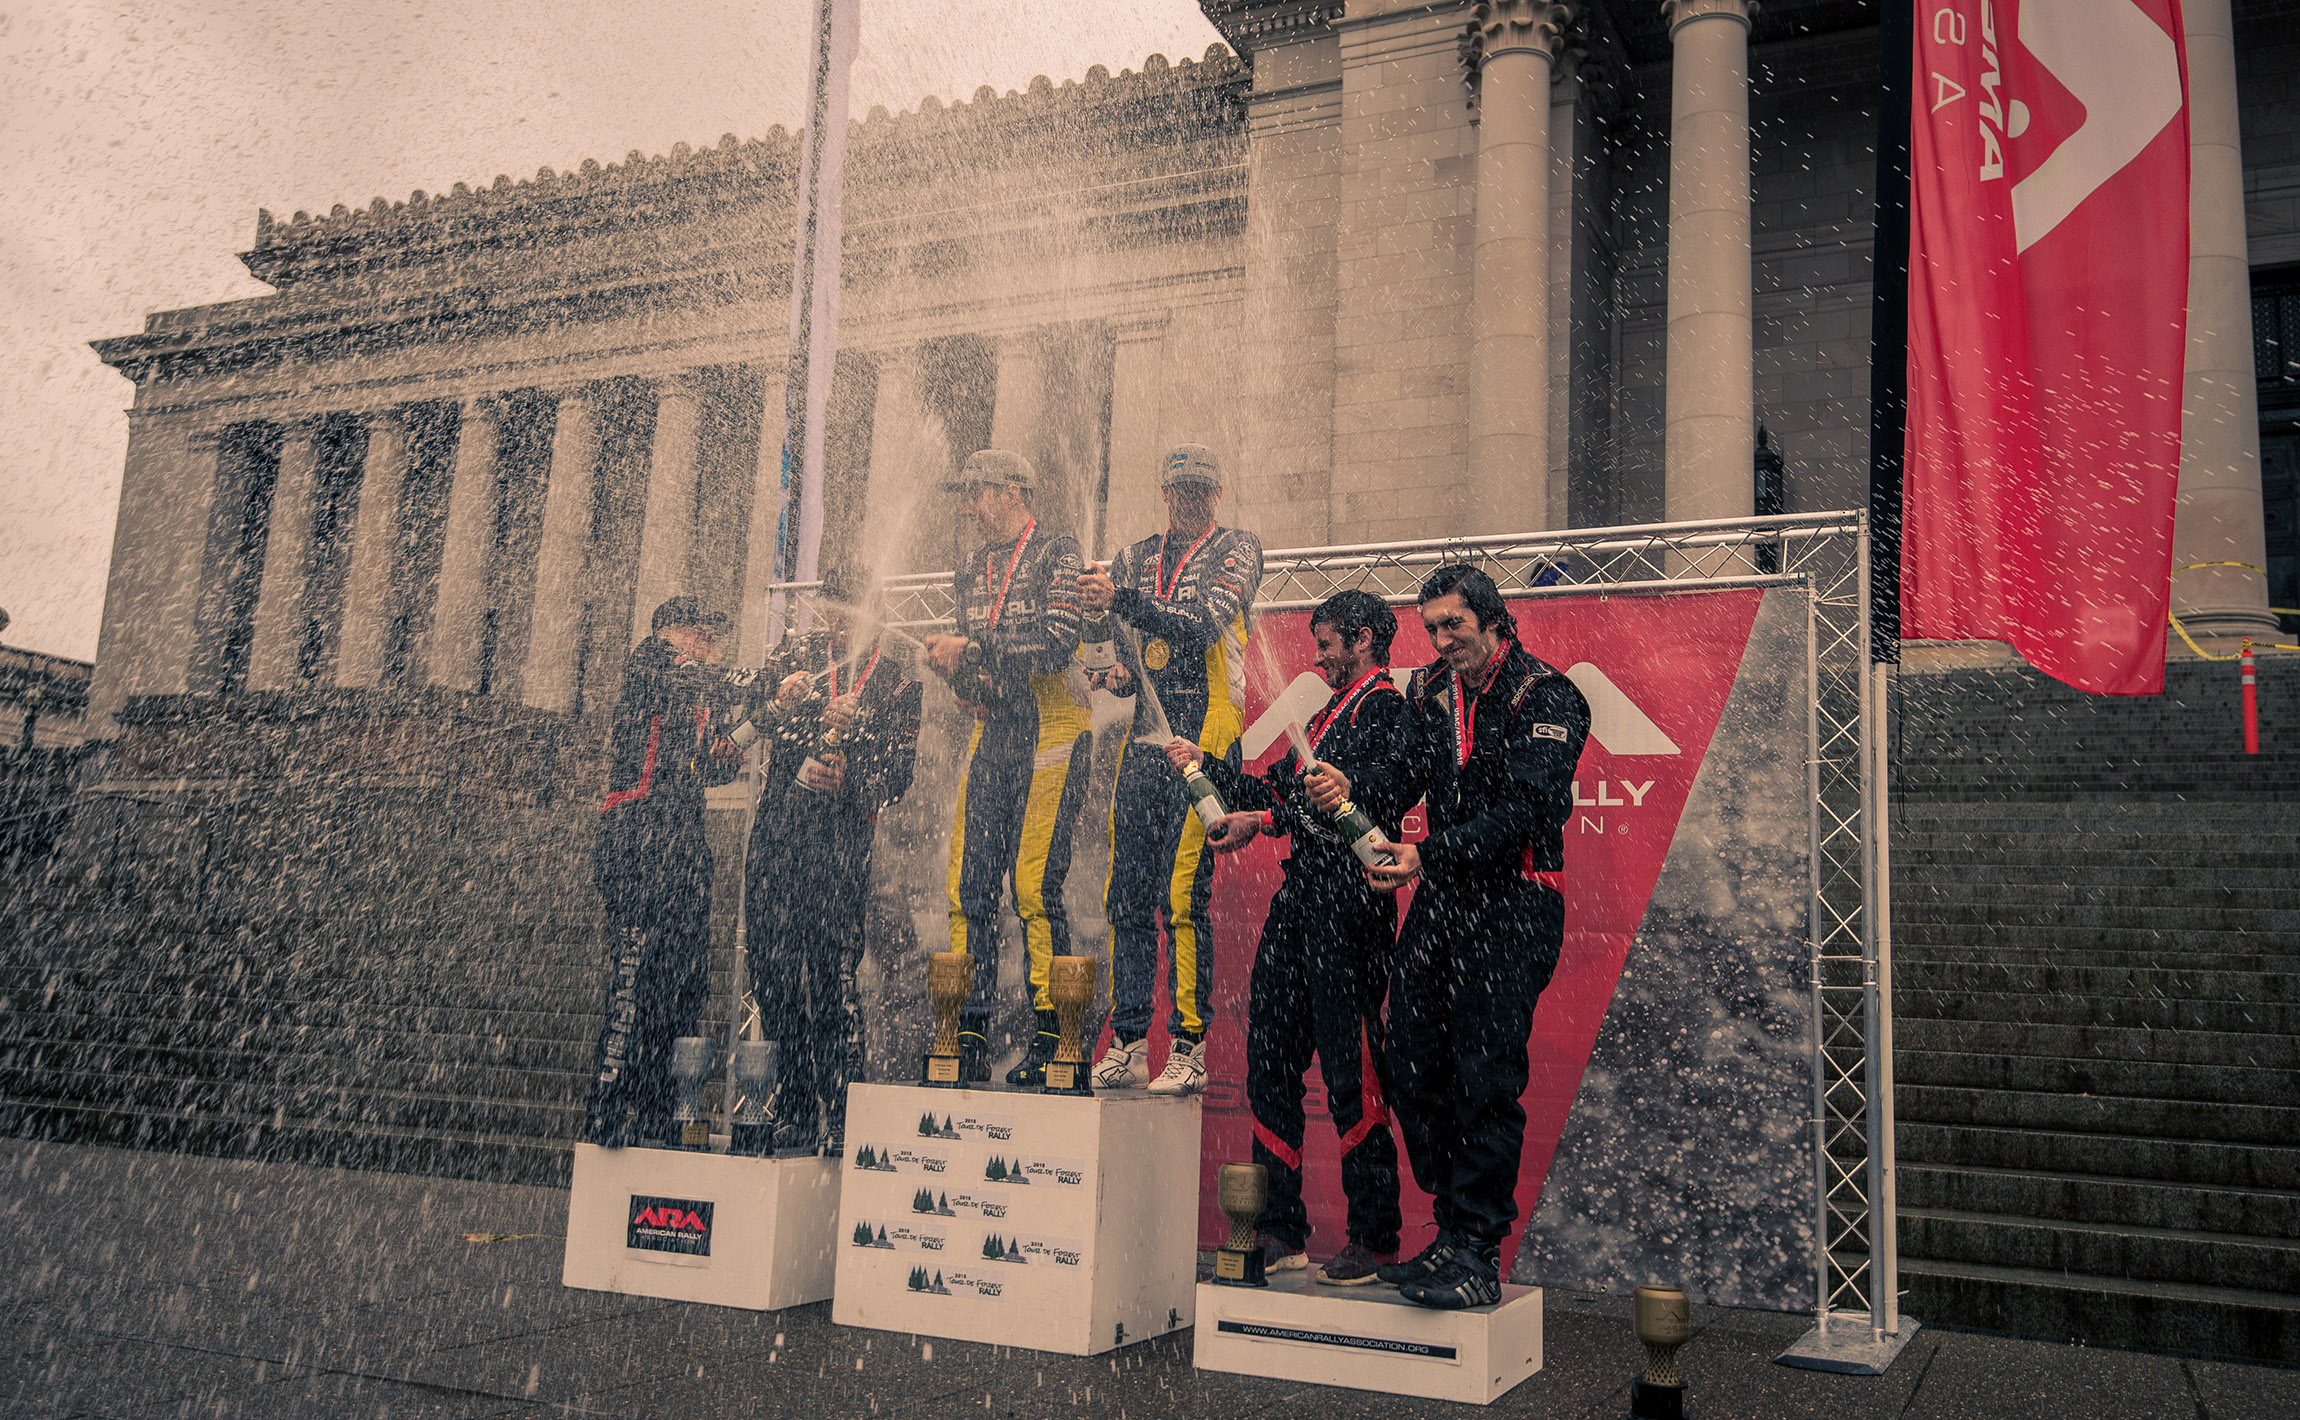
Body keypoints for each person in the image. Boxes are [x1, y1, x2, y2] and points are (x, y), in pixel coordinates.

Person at [1314, 564, 1589, 1309]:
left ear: (1491, 619)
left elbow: (1528, 813)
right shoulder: (1430, 690)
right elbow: (1404, 777)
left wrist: (1425, 855)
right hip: (1442, 900)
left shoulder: (1547, 694)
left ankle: (1476, 1251)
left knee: (1484, 1076)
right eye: (1432, 628)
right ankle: (1452, 1228)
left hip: (1516, 900)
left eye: (1454, 625)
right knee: (1410, 1059)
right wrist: (1353, 789)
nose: (1441, 641)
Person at [1176, 589, 1409, 1285]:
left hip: (1351, 903)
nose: (1316, 659)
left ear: (1363, 640)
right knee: (1270, 1061)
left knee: (1350, 1068)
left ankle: (1375, 1237)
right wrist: (1202, 764)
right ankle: (1280, 1228)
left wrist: (1344, 785)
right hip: (1299, 900)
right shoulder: (1325, 714)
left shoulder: (1387, 709)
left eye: (1327, 644)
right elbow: (1273, 791)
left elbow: (1392, 786)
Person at [1081, 444, 1263, 1095]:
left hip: (1207, 735)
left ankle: (1189, 1045)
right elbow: (1135, 648)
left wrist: (1124, 600)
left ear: (1217, 494)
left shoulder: (1237, 548)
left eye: (1201, 491)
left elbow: (1200, 626)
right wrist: (1114, 669)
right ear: (1164, 492)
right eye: (1180, 490)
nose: (1190, 501)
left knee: (1181, 895)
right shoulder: (1134, 557)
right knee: (1124, 895)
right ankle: (1128, 1040)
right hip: (1146, 739)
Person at [920, 449, 1090, 1086]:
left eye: (976, 495)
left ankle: (1054, 1040)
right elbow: (978, 664)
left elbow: (1056, 642)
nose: (968, 509)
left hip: (1054, 731)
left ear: (1012, 491)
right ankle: (965, 1034)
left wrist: (974, 648)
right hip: (994, 732)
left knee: (1034, 888)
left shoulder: (1057, 551)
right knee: (969, 887)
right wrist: (958, 675)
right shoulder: (969, 567)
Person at [741, 585, 921, 1157]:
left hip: (840, 850)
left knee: (833, 982)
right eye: (839, 611)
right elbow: (753, 718)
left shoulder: (898, 681)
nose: (846, 625)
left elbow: (899, 775)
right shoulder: (796, 658)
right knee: (773, 979)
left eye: (858, 611)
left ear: (878, 613)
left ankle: (843, 1115)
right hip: (777, 841)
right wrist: (797, 710)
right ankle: (794, 1109)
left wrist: (852, 778)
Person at [584, 596, 752, 1149]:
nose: (709, 644)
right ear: (672, 631)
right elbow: (691, 685)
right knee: (634, 980)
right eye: (701, 634)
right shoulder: (651, 662)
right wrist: (755, 682)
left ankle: (659, 1105)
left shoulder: (696, 692)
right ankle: (608, 1106)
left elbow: (705, 765)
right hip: (636, 835)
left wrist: (744, 738)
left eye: (712, 636)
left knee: (683, 984)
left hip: (683, 844)